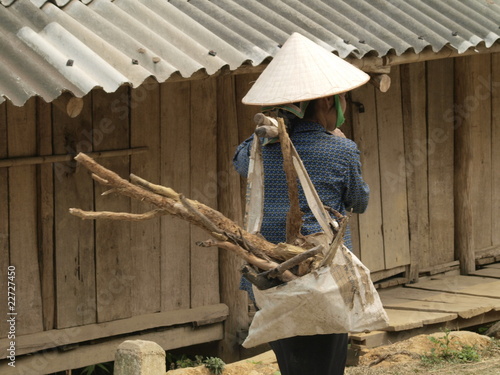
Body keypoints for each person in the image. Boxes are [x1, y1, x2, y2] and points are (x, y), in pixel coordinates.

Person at [232, 33, 371, 375]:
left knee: (291, 362)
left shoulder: (257, 149)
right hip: (322, 271)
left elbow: (239, 162)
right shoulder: (340, 150)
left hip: (270, 269)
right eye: (340, 101)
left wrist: (277, 128)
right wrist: (340, 141)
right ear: (326, 103)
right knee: (327, 362)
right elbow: (359, 201)